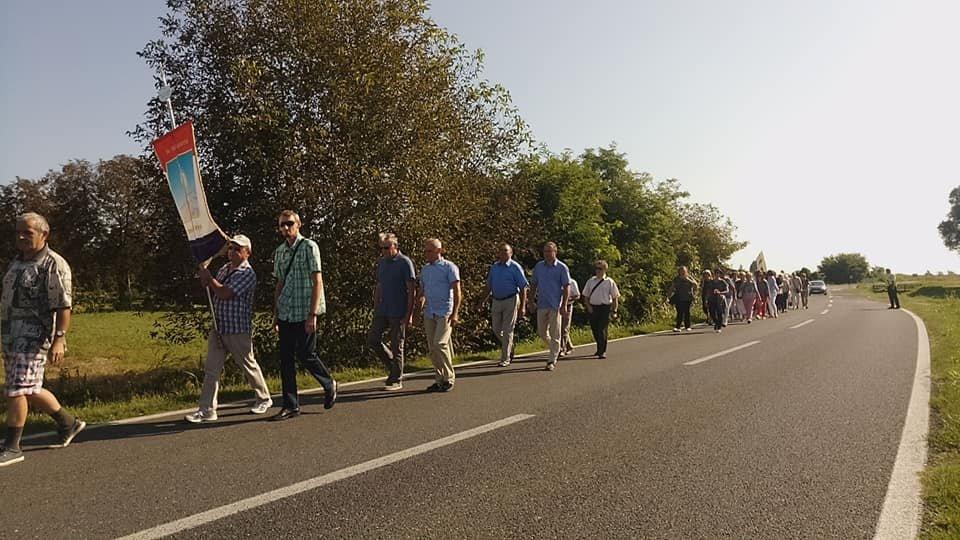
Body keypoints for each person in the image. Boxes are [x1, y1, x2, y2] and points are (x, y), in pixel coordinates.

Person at [1, 213, 85, 467]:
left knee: (16, 389)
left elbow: (63, 304)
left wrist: (60, 338)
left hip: (35, 336)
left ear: (44, 234)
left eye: (27, 232)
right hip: (11, 336)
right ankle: (69, 423)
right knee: (29, 388)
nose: (21, 237)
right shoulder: (17, 263)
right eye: (18, 232)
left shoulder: (53, 264)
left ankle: (12, 446)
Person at [185, 234, 273, 423]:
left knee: (248, 365)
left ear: (247, 253)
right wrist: (204, 275)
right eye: (231, 248)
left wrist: (210, 279)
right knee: (211, 370)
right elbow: (211, 287)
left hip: (237, 329)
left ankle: (264, 398)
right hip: (219, 327)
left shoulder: (247, 274)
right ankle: (207, 410)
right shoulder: (225, 268)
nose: (232, 252)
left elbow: (225, 293)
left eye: (237, 249)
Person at [271, 210, 337, 421]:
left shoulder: (309, 246)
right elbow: (279, 283)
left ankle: (328, 383)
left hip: (304, 310)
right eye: (282, 225)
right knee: (286, 360)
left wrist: (313, 314)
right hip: (287, 311)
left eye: (289, 223)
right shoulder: (280, 251)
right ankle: (290, 405)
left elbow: (317, 280)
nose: (286, 228)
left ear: (298, 224)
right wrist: (276, 313)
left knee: (307, 354)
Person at [367, 233, 416, 391]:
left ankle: (396, 378)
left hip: (398, 310)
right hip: (383, 309)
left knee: (397, 344)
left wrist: (409, 315)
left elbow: (411, 291)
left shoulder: (405, 263)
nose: (384, 251)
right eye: (381, 248)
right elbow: (379, 286)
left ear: (395, 246)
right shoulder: (382, 263)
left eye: (387, 248)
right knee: (373, 338)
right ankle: (393, 367)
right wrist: (375, 307)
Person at [417, 238, 462, 391]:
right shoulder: (425, 269)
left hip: (445, 311)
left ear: (439, 251)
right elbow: (422, 291)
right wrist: (418, 308)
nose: (426, 254)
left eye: (429, 251)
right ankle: (439, 378)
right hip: (430, 311)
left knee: (440, 344)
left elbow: (457, 291)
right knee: (432, 348)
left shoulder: (449, 267)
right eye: (425, 251)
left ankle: (449, 377)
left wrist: (455, 313)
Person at [483, 243, 528, 367]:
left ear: (511, 253)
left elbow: (523, 287)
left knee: (508, 329)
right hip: (497, 300)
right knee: (496, 329)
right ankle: (509, 345)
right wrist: (481, 301)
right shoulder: (495, 267)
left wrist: (522, 306)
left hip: (511, 299)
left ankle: (505, 358)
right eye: (501, 251)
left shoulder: (515, 267)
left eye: (506, 251)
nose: (503, 254)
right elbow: (488, 286)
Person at [529, 242, 570, 371]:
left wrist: (564, 305)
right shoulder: (539, 267)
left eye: (549, 251)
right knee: (541, 332)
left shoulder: (562, 268)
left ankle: (551, 360)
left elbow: (566, 287)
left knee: (555, 333)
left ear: (555, 252)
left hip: (555, 305)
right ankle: (556, 348)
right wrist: (531, 301)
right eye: (545, 251)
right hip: (542, 303)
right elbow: (534, 284)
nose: (546, 254)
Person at [582, 260, 620, 358]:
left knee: (602, 329)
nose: (597, 271)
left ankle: (602, 351)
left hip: (605, 307)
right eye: (596, 268)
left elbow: (615, 297)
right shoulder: (591, 281)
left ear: (605, 270)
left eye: (600, 269)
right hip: (593, 307)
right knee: (594, 329)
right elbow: (585, 296)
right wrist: (588, 306)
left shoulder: (609, 282)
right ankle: (599, 348)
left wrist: (614, 311)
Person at [668, 266, 699, 332]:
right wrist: (669, 296)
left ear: (686, 271)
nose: (682, 272)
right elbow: (672, 287)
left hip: (688, 297)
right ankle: (678, 327)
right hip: (678, 297)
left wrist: (688, 280)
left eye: (683, 271)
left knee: (687, 312)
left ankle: (687, 326)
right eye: (681, 271)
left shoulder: (689, 277)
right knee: (679, 312)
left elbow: (695, 285)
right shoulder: (676, 279)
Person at [560, 277, 580, 356]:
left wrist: (569, 298)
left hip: (568, 305)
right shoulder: (555, 280)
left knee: (564, 328)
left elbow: (577, 295)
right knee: (557, 328)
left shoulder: (572, 282)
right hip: (556, 306)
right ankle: (569, 346)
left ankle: (562, 348)